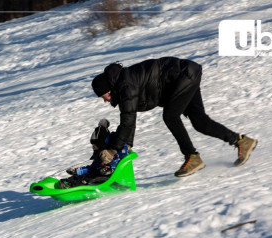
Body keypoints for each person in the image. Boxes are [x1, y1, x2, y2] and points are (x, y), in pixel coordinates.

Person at [91, 57, 258, 177]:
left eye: (103, 96)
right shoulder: (123, 86)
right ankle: (241, 141)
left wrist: (113, 150)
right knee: (200, 121)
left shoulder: (126, 86)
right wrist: (127, 145)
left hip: (183, 75)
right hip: (186, 74)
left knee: (170, 116)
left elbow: (128, 121)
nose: (105, 101)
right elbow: (130, 118)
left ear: (109, 89)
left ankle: (192, 157)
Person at [59, 119, 129, 189]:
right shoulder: (99, 153)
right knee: (85, 176)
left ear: (101, 145)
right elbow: (93, 168)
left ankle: (72, 187)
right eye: (92, 145)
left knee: (87, 180)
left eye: (95, 145)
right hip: (99, 175)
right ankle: (69, 183)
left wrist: (109, 168)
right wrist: (77, 171)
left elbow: (118, 162)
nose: (93, 147)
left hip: (108, 179)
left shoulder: (107, 154)